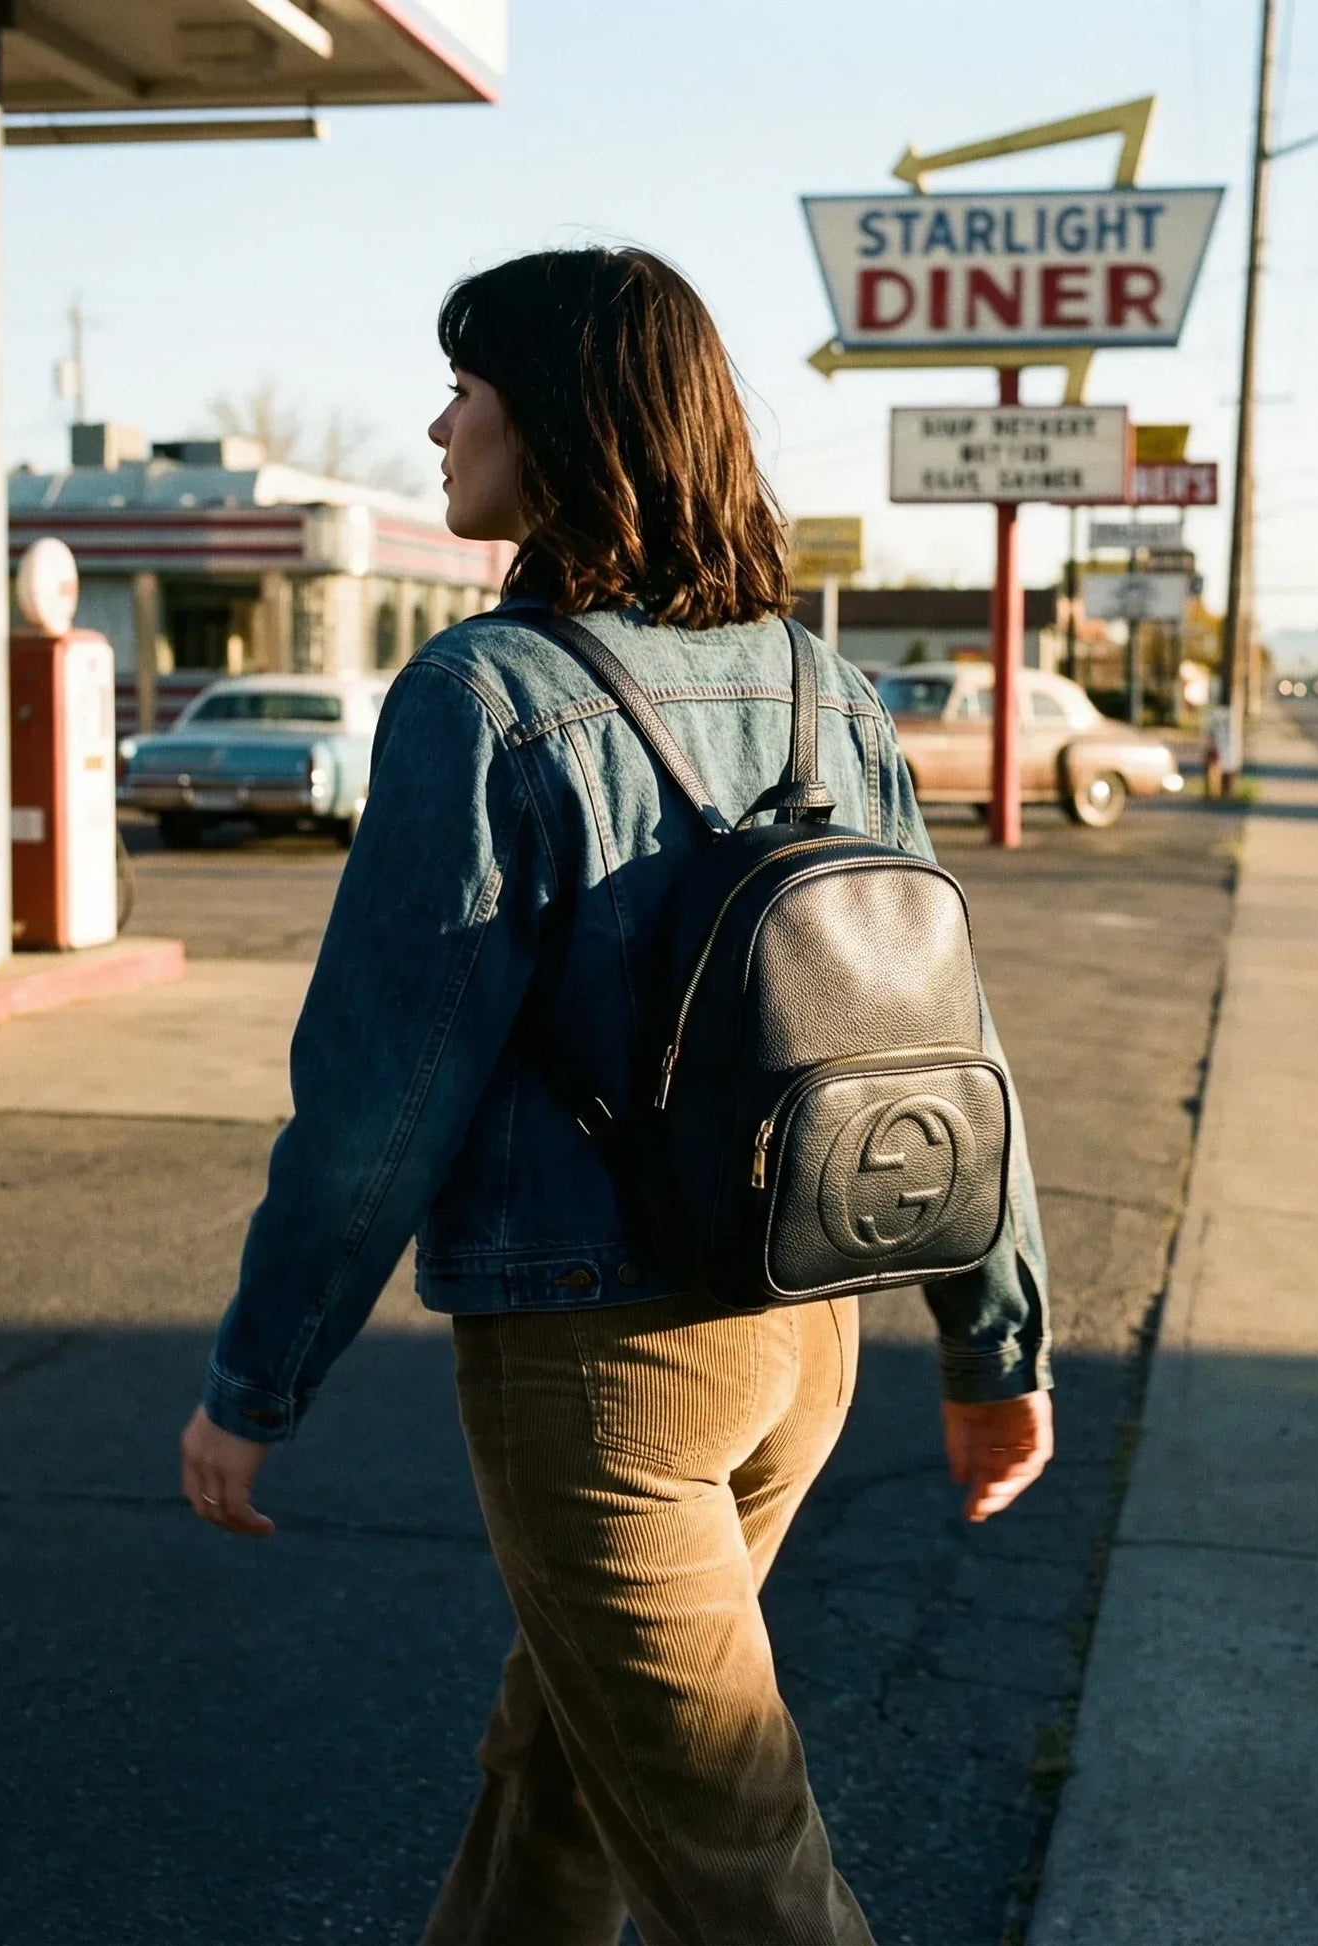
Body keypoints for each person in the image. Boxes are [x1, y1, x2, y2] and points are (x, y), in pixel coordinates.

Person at [179, 246, 1054, 1946]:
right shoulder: (826, 688)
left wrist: (255, 1377)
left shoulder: (484, 700)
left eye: (466, 388)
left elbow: (379, 1095)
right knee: (570, 1771)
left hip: (604, 1374)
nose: (435, 424)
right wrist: (989, 1338)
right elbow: (950, 1049)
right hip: (803, 1331)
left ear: (560, 422)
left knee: (739, 1860)